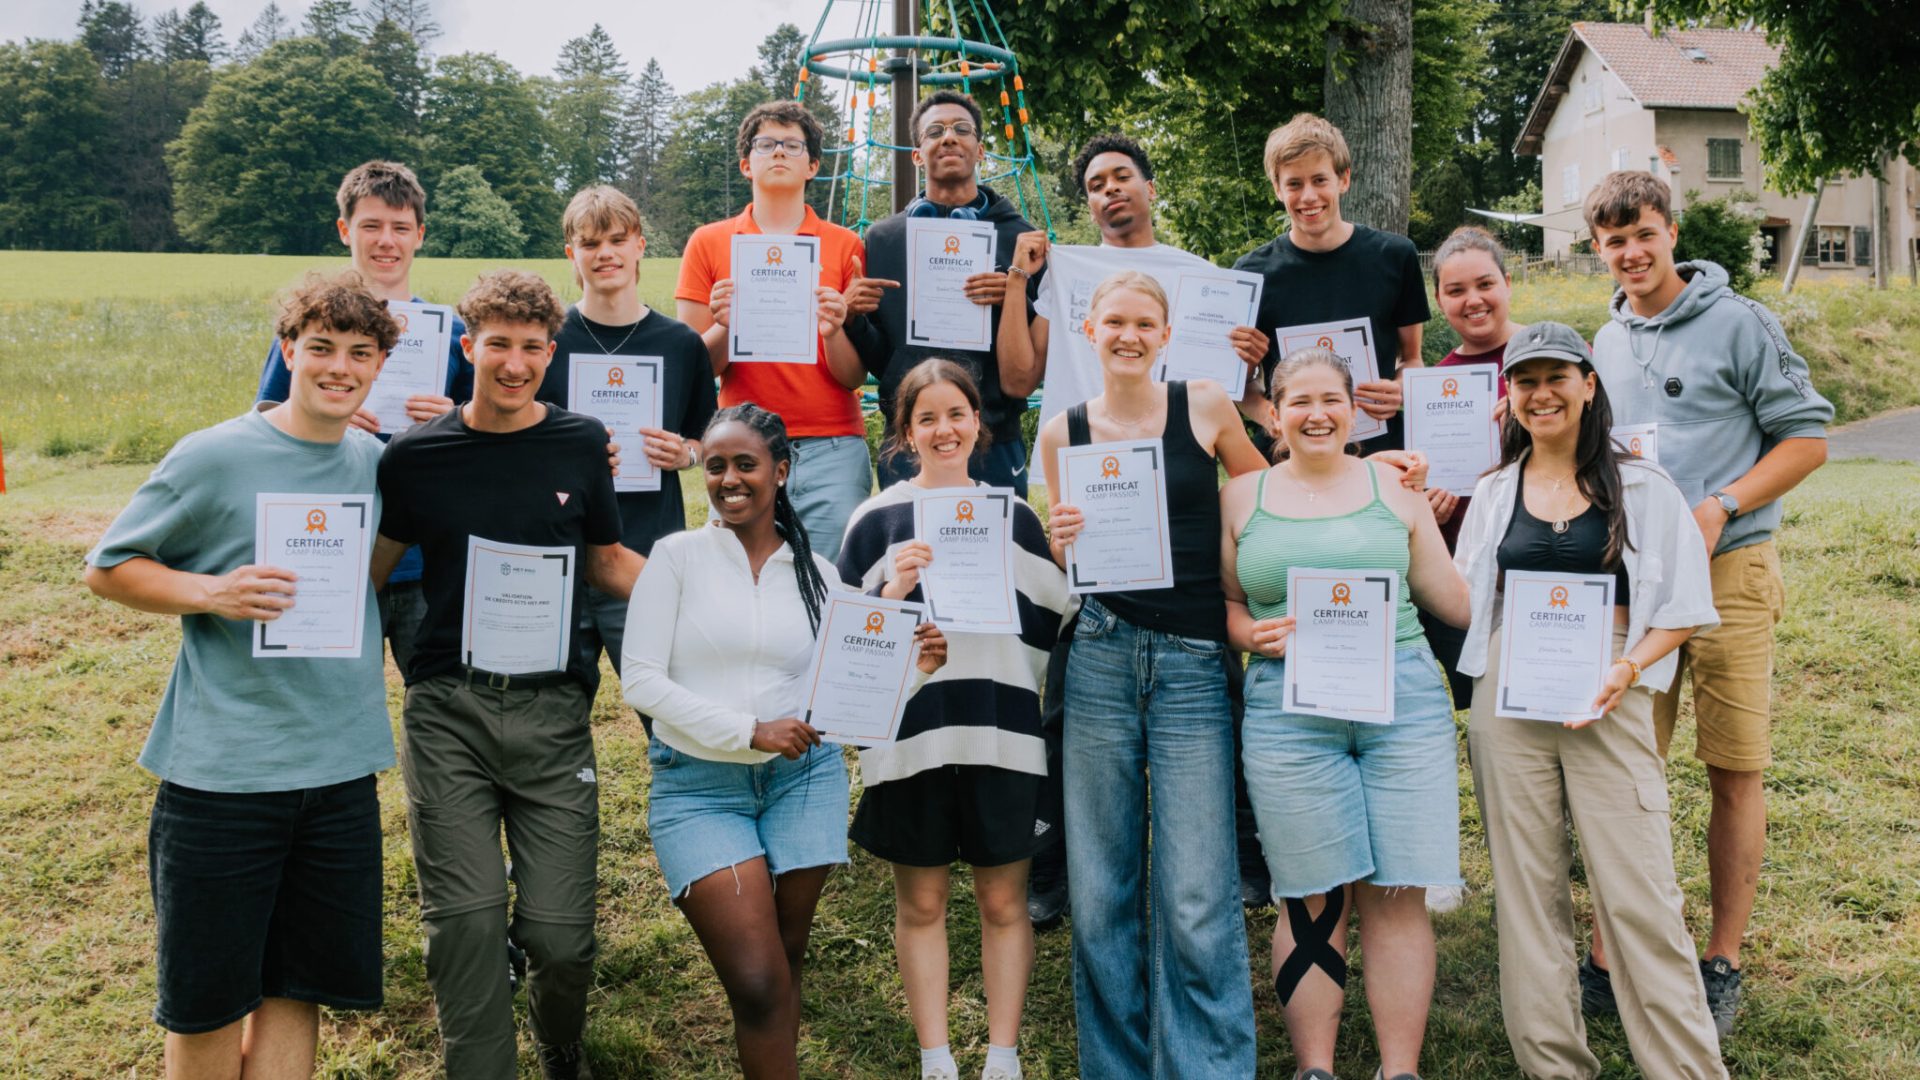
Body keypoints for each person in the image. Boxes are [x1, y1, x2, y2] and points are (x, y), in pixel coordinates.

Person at [84, 273, 400, 1079]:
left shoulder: (380, 466)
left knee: (297, 991)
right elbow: (110, 567)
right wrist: (211, 592)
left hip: (336, 773)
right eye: (321, 348)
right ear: (288, 349)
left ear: (379, 366)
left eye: (360, 353)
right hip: (222, 779)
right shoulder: (215, 454)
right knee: (209, 1001)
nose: (340, 367)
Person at [371, 269, 645, 1080]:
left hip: (553, 711)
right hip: (447, 707)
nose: (515, 362)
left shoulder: (578, 443)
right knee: (465, 921)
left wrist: (716, 589)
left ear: (550, 354)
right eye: (498, 345)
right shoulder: (413, 458)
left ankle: (559, 1039)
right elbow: (374, 575)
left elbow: (605, 562)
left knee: (560, 936)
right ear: (469, 347)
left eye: (531, 347)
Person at [622, 403, 948, 1079]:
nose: (729, 479)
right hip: (699, 788)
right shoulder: (676, 558)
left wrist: (912, 673)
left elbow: (844, 700)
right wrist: (751, 730)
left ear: (781, 471)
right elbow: (641, 682)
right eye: (716, 466)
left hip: (805, 781)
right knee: (760, 979)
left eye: (746, 464)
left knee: (783, 961)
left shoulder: (819, 575)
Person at [997, 132, 1275, 921]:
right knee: (1072, 707)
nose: (1109, 190)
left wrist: (1250, 371)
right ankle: (1053, 859)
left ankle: (1242, 848)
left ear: (1151, 187)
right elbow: (1023, 379)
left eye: (1123, 176)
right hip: (1099, 559)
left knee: (1214, 710)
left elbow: (1247, 470)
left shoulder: (1200, 285)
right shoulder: (1064, 282)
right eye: (1094, 182)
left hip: (1187, 567)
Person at [1582, 171, 1833, 1037]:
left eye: (1644, 233)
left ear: (1672, 229)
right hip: (1637, 584)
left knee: (1733, 765)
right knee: (1622, 770)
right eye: (1614, 242)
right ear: (1598, 250)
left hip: (1730, 569)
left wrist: (1720, 503)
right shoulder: (1603, 344)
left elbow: (1808, 439)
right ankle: (1613, 947)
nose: (1632, 253)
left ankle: (1721, 957)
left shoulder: (1739, 322)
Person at [1454, 321, 1726, 1079]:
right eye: (1525, 381)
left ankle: (1685, 1069)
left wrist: (1628, 668)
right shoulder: (1493, 491)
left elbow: (1682, 604)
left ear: (1588, 384)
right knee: (1526, 895)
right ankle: (1554, 1066)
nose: (1541, 394)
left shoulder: (1642, 484)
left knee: (1639, 894)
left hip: (1610, 681)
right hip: (1509, 692)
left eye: (1556, 377)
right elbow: (1462, 595)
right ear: (1507, 396)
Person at [1035, 271, 1269, 1079]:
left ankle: (1206, 1066)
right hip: (1100, 649)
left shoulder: (1203, 403)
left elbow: (1262, 494)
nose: (1129, 335)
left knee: (1198, 890)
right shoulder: (1063, 432)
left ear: (1165, 335)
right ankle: (1119, 1066)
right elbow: (1065, 557)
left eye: (1144, 323)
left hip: (1195, 661)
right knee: (1101, 886)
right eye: (1114, 323)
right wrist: (1062, 537)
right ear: (1089, 331)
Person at [1221, 347, 1471, 1080]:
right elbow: (1229, 606)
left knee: (1397, 893)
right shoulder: (1244, 497)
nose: (1317, 414)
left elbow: (1454, 600)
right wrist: (1249, 634)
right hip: (1289, 711)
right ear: (1273, 413)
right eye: (1298, 400)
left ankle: (1401, 1071)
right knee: (1310, 894)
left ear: (1353, 408)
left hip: (1403, 707)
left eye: (1331, 399)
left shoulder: (1396, 490)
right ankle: (1316, 1069)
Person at [835, 360, 1070, 1080]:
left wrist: (1074, 544)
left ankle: (1004, 1053)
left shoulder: (1015, 515)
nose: (945, 429)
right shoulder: (874, 519)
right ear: (904, 432)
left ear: (980, 424)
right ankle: (936, 1056)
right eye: (927, 418)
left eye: (957, 414)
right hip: (913, 741)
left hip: (1000, 730)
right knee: (923, 901)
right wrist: (895, 588)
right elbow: (847, 648)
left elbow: (1061, 615)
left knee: (1005, 902)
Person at [252, 160, 473, 676]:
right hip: (331, 550)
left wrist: (453, 418)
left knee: (442, 696)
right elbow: (267, 425)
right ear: (345, 230)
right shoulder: (310, 331)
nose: (385, 241)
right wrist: (325, 417)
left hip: (426, 556)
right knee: (333, 695)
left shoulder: (453, 332)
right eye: (371, 226)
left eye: (400, 228)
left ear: (420, 235)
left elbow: (484, 438)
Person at [675, 101, 874, 560]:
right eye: (766, 144)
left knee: (828, 585)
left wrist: (833, 330)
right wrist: (726, 325)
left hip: (832, 446)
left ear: (813, 166)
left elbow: (854, 377)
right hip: (742, 444)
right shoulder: (708, 242)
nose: (779, 153)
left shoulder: (845, 246)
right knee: (742, 584)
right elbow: (696, 367)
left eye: (792, 145)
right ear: (747, 164)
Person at [544, 184, 717, 681]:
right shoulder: (548, 340)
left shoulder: (681, 344)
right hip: (562, 551)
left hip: (646, 549)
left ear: (640, 244)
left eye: (617, 239)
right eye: (590, 244)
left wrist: (682, 453)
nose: (605, 254)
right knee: (555, 710)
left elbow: (704, 439)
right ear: (571, 253)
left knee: (667, 700)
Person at [847, 90, 1041, 493]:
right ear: (917, 155)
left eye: (961, 129)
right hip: (908, 443)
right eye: (934, 131)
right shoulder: (883, 240)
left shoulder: (1021, 241)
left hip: (994, 440)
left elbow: (1026, 371)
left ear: (981, 150)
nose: (948, 137)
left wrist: (1014, 296)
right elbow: (884, 361)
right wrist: (855, 319)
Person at [1234, 114, 1431, 453]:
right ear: (1278, 189)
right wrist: (1268, 415)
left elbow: (1412, 359)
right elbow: (1240, 384)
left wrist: (1401, 389)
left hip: (1377, 449)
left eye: (1320, 180)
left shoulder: (1395, 256)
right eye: (1294, 184)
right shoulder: (1250, 274)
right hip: (1290, 457)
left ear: (1344, 179)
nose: (1308, 196)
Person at [1421, 225, 1524, 705]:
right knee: (1486, 708)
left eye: (1485, 284)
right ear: (1439, 300)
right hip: (1469, 576)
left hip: (1540, 561)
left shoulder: (1550, 355)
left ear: (1508, 283)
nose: (1473, 300)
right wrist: (1428, 511)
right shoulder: (1433, 384)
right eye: (1456, 290)